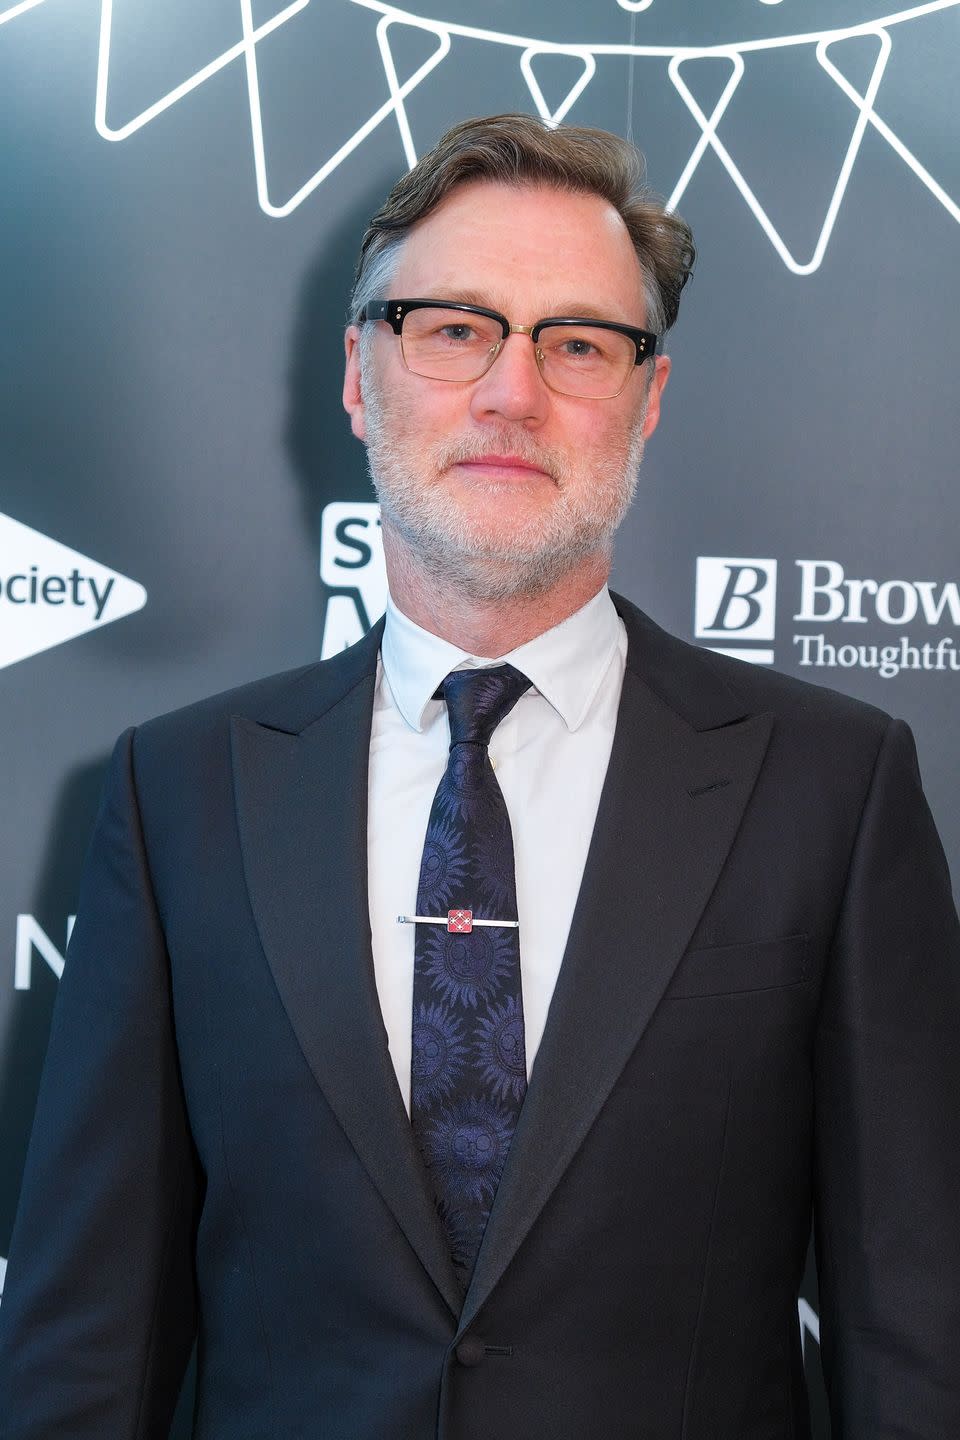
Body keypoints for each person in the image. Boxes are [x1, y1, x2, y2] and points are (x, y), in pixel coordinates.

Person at [0, 113, 958, 1440]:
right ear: (358, 375)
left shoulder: (834, 790)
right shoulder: (181, 796)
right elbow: (86, 1337)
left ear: (649, 398)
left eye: (577, 342)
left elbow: (915, 1326)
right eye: (454, 328)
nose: (513, 392)